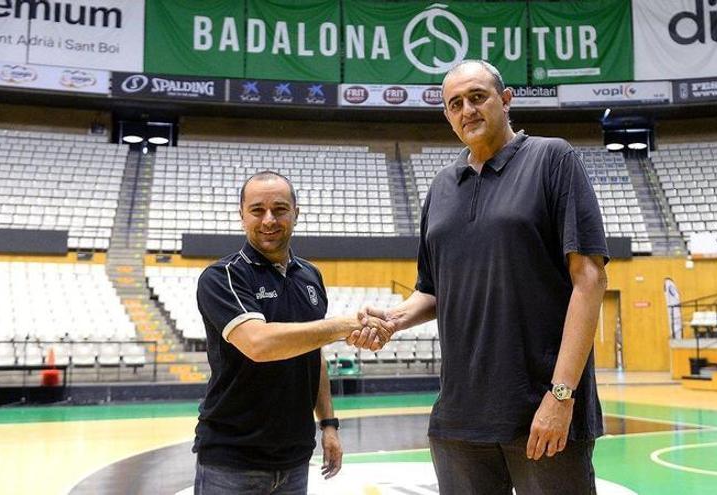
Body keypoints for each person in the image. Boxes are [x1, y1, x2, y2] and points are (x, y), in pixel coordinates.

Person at [352, 60, 609, 494]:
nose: (467, 110)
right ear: (448, 116)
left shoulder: (553, 158)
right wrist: (393, 319)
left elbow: (590, 280)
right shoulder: (440, 189)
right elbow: (432, 290)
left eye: (477, 97)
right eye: (455, 104)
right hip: (459, 420)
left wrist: (561, 396)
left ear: (506, 101)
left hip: (542, 414)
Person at [193, 171, 393, 494]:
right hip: (231, 462)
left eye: (280, 209)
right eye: (257, 210)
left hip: (295, 460)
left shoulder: (311, 276)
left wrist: (328, 425)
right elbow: (258, 344)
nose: (269, 220)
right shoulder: (222, 278)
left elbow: (314, 353)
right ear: (242, 215)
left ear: (296, 214)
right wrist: (346, 325)